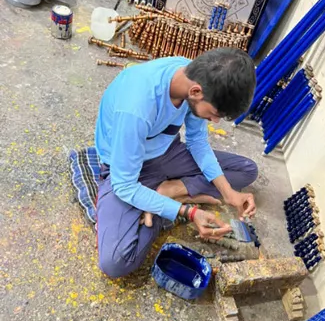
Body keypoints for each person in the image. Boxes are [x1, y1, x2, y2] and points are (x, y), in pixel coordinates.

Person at [94, 47, 259, 278]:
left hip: (167, 151)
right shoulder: (137, 106)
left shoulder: (194, 75)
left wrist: (228, 192)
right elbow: (124, 185)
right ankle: (159, 200)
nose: (215, 121)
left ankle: (168, 191)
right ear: (195, 91)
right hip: (129, 168)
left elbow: (198, 141)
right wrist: (187, 212)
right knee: (115, 262)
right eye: (213, 113)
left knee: (247, 171)